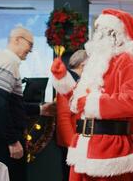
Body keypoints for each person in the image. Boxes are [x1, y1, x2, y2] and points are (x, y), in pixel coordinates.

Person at [51, 8, 133, 181]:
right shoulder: (95, 63)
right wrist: (63, 80)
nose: (100, 36)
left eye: (106, 31)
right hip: (83, 146)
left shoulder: (126, 61)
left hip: (109, 150)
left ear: (119, 35)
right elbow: (80, 101)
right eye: (99, 31)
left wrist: (93, 103)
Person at [0, 26, 55, 181]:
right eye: (30, 44)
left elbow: (9, 105)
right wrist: (12, 141)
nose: (31, 50)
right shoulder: (9, 63)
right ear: (17, 40)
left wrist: (40, 109)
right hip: (4, 139)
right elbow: (0, 106)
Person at [56, 50, 88, 181]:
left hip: (77, 141)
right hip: (72, 142)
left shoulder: (76, 81)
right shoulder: (67, 83)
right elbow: (63, 117)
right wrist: (72, 145)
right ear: (83, 65)